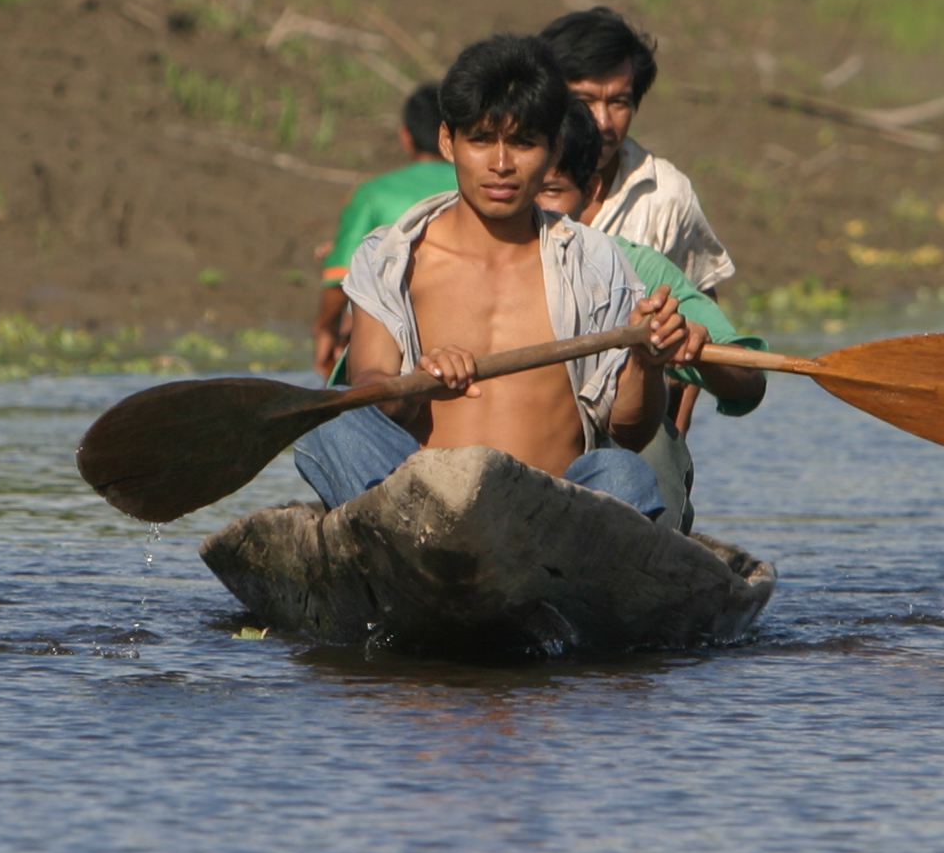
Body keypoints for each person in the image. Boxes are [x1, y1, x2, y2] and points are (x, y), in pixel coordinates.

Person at [294, 35, 694, 517]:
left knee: (624, 474)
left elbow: (630, 431)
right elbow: (372, 384)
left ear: (554, 149)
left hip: (550, 521)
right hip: (423, 517)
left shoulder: (595, 262)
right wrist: (417, 385)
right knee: (332, 418)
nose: (501, 165)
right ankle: (413, 549)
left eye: (523, 143)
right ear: (448, 141)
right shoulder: (392, 256)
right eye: (481, 140)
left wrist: (647, 364)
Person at [539, 103, 764, 532]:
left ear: (589, 191)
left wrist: (695, 348)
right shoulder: (449, 259)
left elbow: (748, 382)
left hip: (608, 460)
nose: (531, 209)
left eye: (549, 190)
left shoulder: (635, 269)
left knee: (650, 448)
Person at [536, 5, 733, 297]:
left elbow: (702, 313)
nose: (602, 122)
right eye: (584, 100)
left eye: (619, 103)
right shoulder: (510, 177)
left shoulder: (665, 195)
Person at [312, 82, 453, 376]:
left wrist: (324, 329)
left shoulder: (373, 193)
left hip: (393, 337)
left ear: (406, 137)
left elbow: (340, 272)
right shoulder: (487, 187)